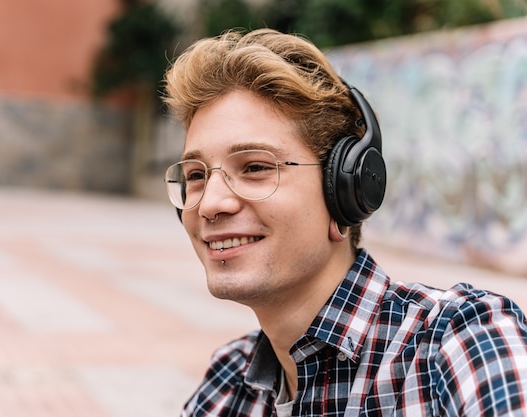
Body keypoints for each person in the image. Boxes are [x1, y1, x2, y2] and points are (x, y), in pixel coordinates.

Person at [161, 28, 527, 417]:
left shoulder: (459, 342)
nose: (209, 204)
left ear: (345, 191)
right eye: (196, 175)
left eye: (254, 167)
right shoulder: (227, 385)